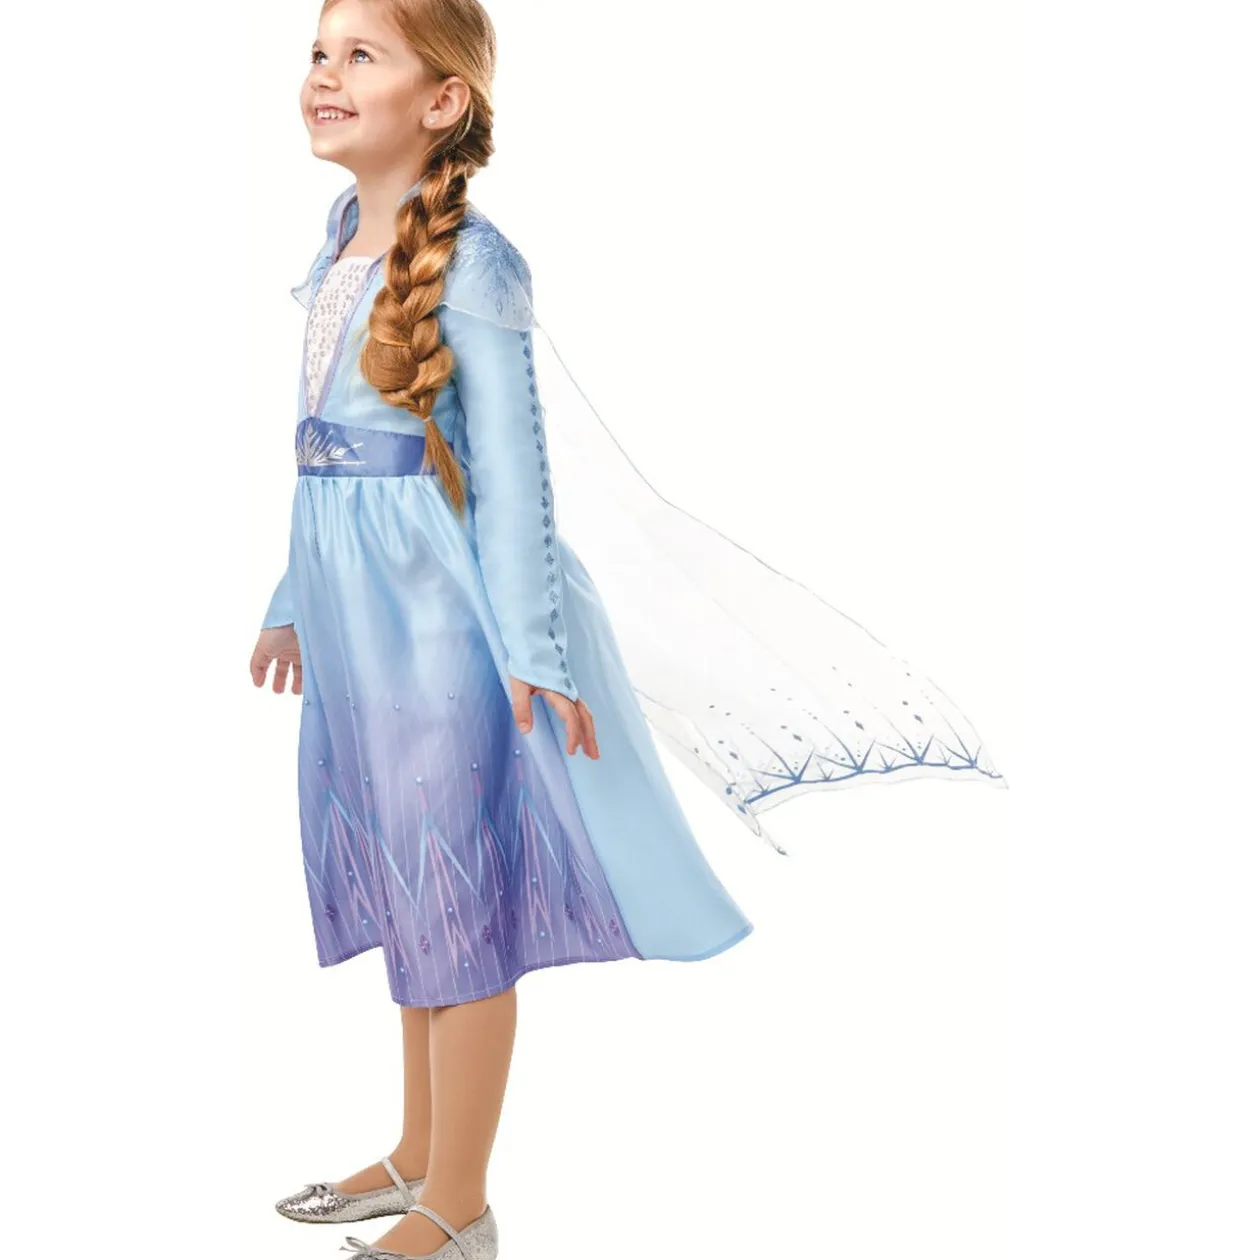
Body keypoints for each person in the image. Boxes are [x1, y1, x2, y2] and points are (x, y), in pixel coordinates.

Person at [249, 1, 1006, 1256]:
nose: (324, 74)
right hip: (352, 616)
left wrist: (532, 652)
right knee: (400, 880)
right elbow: (325, 450)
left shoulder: (475, 264)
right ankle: (417, 1148)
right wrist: (290, 600)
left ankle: (460, 1201)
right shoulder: (340, 235)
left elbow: (514, 476)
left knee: (456, 898)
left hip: (437, 622)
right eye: (318, 53)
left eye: (360, 55)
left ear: (442, 101)